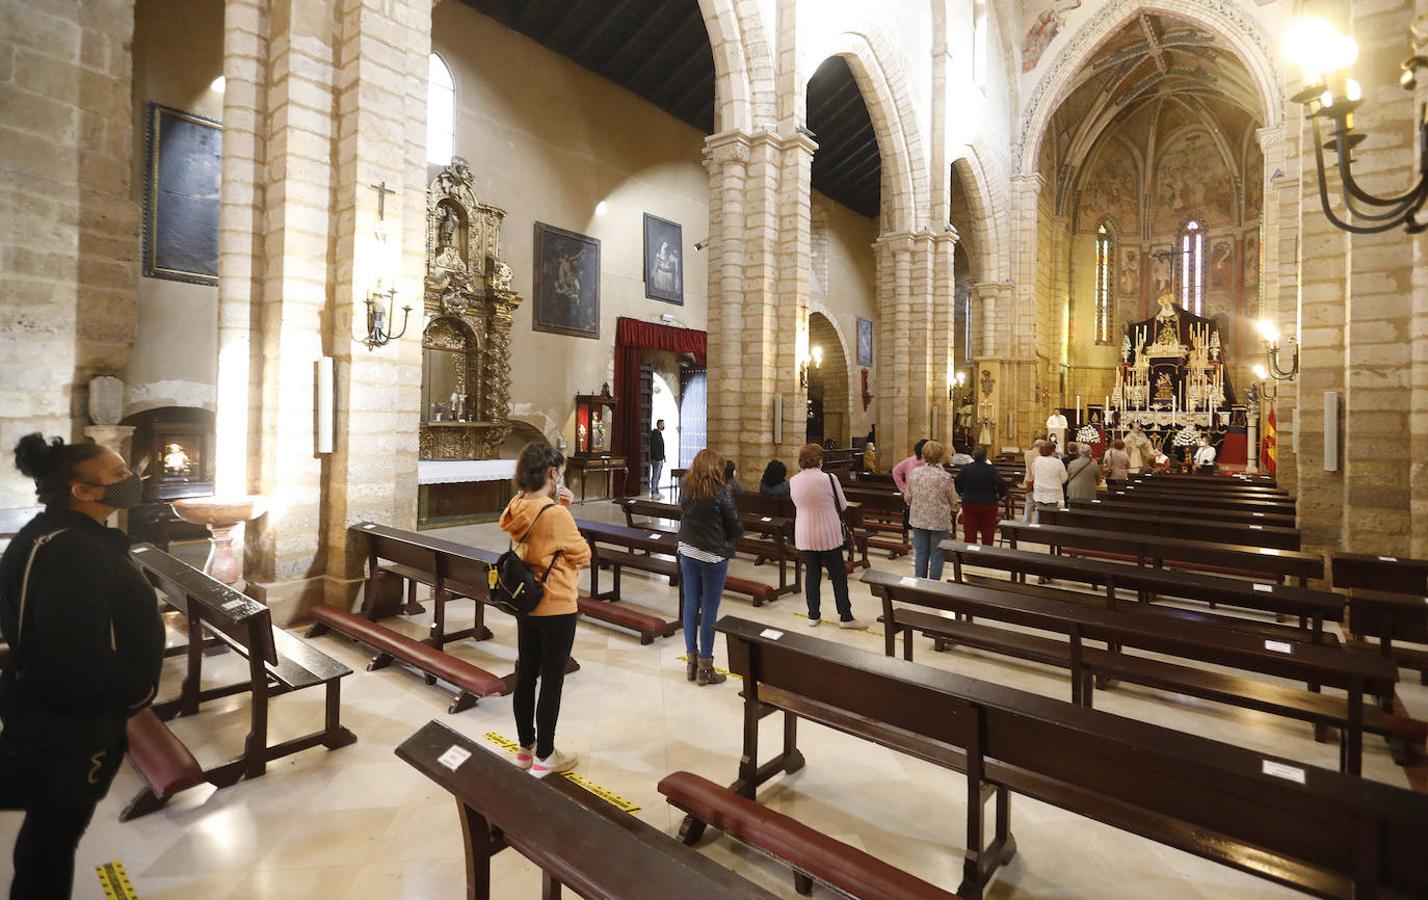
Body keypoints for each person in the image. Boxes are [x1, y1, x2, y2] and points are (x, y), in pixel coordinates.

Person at [1, 435, 165, 898]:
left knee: (48, 827)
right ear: (84, 492)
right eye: (117, 475)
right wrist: (137, 693)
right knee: (56, 831)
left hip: (42, 703)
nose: (131, 479)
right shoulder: (79, 552)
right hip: (73, 722)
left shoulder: (43, 531)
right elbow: (77, 651)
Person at [499, 444, 590, 778]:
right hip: (556, 605)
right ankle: (546, 756)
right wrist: (563, 509)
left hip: (527, 602)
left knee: (526, 675)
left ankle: (525, 750)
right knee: (551, 679)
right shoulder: (555, 514)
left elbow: (539, 541)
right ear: (552, 473)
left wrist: (559, 506)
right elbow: (583, 554)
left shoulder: (517, 505)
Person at [676, 449, 745, 686]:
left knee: (690, 604)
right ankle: (706, 666)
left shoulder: (686, 487)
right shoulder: (722, 491)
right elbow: (735, 527)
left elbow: (683, 513)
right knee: (709, 608)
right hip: (713, 555)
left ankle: (691, 661)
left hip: (688, 550)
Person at [789, 443, 860, 628]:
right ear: (820, 459)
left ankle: (813, 615)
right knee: (838, 576)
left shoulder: (794, 480)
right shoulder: (829, 478)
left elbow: (797, 503)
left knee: (812, 575)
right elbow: (843, 505)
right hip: (828, 534)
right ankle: (845, 616)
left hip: (805, 534)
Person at [904, 441, 958, 580]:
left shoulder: (915, 474)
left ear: (924, 455)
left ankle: (920, 583)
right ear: (940, 457)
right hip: (939, 520)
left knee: (921, 553)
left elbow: (908, 497)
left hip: (919, 518)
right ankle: (933, 586)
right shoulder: (945, 477)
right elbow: (953, 500)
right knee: (937, 554)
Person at [954, 446, 1007, 545]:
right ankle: (985, 555)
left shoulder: (966, 468)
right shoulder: (991, 469)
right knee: (988, 531)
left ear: (973, 456)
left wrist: (961, 493)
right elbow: (1001, 483)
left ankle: (970, 554)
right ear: (985, 456)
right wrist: (1000, 495)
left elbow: (957, 481)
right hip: (988, 503)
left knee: (970, 530)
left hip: (969, 502)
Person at [1021, 439, 1046, 522]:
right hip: (1039, 480)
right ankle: (1038, 521)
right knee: (1039, 503)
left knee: (1029, 502)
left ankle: (1026, 520)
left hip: (1029, 479)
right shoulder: (1042, 455)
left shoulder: (1027, 453)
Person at [648, 419, 667, 499]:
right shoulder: (655, 434)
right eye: (662, 424)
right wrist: (658, 458)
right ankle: (654, 492)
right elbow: (655, 448)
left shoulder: (659, 434)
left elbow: (661, 447)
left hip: (660, 458)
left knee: (658, 476)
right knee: (655, 476)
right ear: (659, 425)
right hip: (656, 459)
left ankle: (657, 491)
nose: (663, 425)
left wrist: (663, 456)